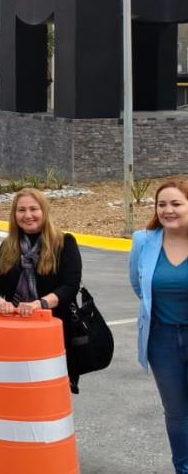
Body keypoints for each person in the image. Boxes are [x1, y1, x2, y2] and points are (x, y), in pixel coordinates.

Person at [0, 188, 82, 390]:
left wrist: (41, 304)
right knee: (16, 391)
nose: (28, 215)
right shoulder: (8, 247)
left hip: (53, 333)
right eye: (21, 210)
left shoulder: (64, 243)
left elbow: (70, 287)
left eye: (33, 209)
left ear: (44, 211)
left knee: (49, 392)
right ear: (14, 215)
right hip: (15, 333)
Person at [130, 180, 188, 474]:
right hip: (162, 339)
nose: (168, 210)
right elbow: (138, 285)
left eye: (176, 204)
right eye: (161, 204)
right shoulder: (144, 241)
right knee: (177, 414)